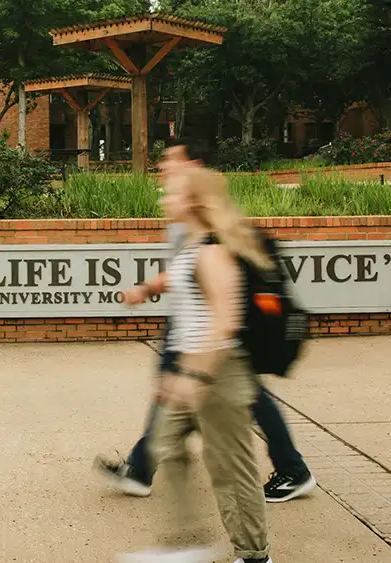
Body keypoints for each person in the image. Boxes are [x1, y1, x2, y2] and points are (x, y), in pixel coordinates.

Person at [94, 147, 314, 504]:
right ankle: (143, 468)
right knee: (183, 396)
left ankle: (289, 473)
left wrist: (199, 364)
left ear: (194, 167)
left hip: (209, 337)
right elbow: (185, 272)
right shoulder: (185, 220)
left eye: (172, 159)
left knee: (244, 403)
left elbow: (219, 294)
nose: (164, 166)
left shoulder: (207, 215)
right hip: (190, 329)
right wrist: (148, 289)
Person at [116, 165, 273, 563]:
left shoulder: (213, 250)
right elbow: (182, 286)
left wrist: (196, 376)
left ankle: (254, 557)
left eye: (171, 192)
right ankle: (186, 543)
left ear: (193, 202)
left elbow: (225, 321)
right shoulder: (194, 246)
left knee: (230, 470)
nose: (163, 199)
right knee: (164, 444)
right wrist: (146, 290)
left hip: (218, 373)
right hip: (193, 368)